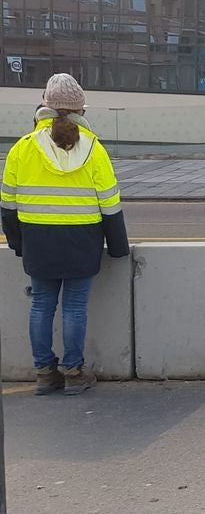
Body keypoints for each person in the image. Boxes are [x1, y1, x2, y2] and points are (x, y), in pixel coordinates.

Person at [1, 75, 130, 396]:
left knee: (41, 306)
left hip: (38, 241)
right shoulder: (94, 149)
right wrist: (118, 248)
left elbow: (8, 205)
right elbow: (110, 204)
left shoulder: (22, 148)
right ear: (80, 110)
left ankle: (45, 373)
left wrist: (19, 244)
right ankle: (74, 373)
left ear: (44, 106)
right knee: (74, 307)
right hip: (81, 242)